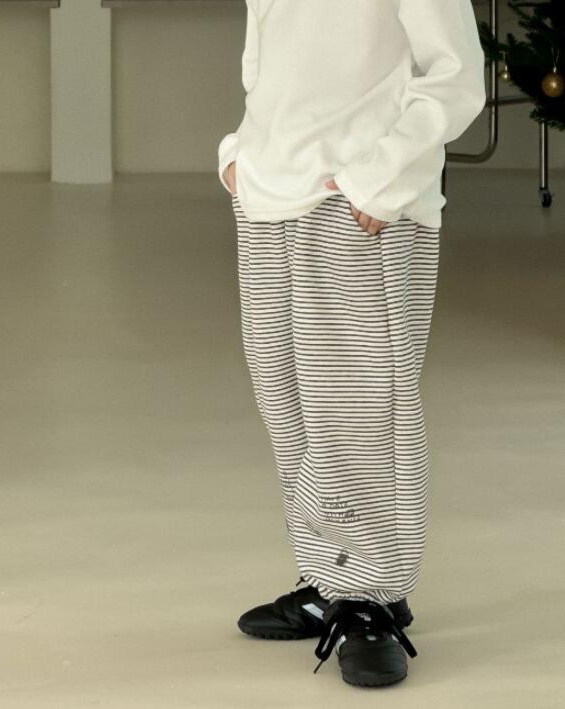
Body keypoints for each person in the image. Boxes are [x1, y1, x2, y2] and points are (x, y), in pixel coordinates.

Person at [217, 0, 486, 688]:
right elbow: (264, 56)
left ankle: (371, 598)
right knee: (286, 399)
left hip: (360, 203)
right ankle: (330, 572)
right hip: (269, 193)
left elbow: (455, 74)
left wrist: (382, 175)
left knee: (360, 409)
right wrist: (240, 154)